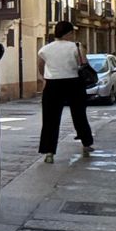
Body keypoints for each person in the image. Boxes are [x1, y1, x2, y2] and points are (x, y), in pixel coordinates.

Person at [37, 21, 94, 162]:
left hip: (52, 84)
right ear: (68, 33)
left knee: (50, 119)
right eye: (72, 32)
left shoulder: (45, 49)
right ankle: (86, 144)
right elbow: (84, 63)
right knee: (79, 114)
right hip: (74, 83)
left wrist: (45, 78)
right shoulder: (76, 46)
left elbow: (40, 65)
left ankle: (49, 152)